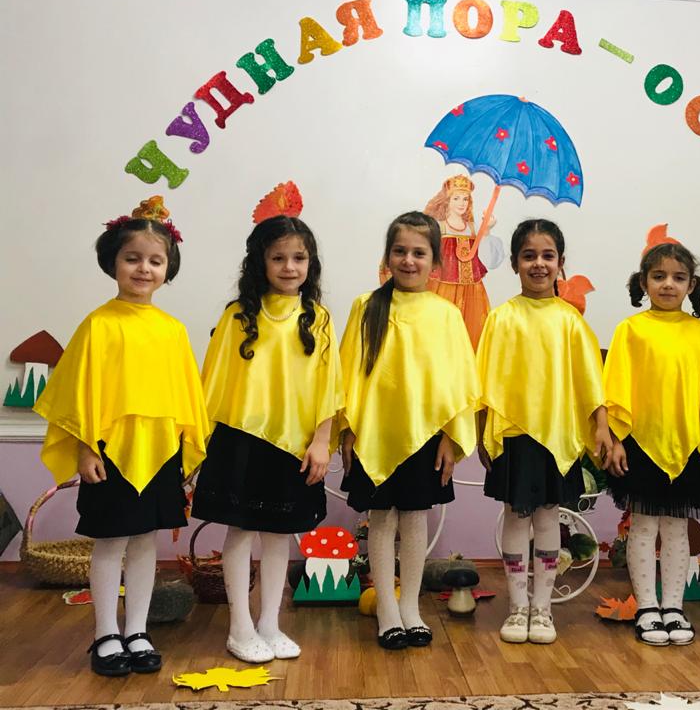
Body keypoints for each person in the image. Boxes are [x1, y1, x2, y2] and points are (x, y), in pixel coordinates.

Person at [34, 197, 210, 677]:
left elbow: (185, 397)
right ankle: (106, 633)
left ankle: (137, 629)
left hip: (160, 452)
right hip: (108, 453)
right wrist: (85, 447)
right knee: (110, 542)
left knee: (146, 542)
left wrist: (184, 451)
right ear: (112, 262)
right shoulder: (98, 325)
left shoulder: (173, 331)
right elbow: (79, 394)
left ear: (168, 269)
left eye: (155, 261)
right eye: (132, 258)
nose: (143, 269)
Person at [192, 213, 344, 663]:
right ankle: (239, 627)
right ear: (260, 262)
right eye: (278, 258)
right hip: (240, 440)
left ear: (311, 263)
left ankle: (269, 624)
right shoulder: (238, 316)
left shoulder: (318, 319)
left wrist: (321, 441)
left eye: (299, 258)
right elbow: (213, 383)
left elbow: (330, 387)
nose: (289, 267)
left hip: (295, 445)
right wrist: (196, 443)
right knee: (240, 531)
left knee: (279, 535)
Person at [339, 211, 479, 650]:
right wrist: (347, 430)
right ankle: (386, 609)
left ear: (436, 261)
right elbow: (348, 373)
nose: (409, 260)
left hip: (427, 435)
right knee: (381, 519)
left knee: (416, 518)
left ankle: (410, 608)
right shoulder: (366, 306)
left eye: (419, 253)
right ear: (387, 256)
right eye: (400, 251)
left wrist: (451, 436)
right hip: (375, 433)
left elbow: (459, 381)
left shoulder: (447, 314)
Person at [477, 218, 612, 645]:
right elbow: (483, 383)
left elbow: (591, 382)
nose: (539, 264)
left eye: (547, 255)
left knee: (550, 516)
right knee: (517, 517)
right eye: (529, 255)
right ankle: (518, 607)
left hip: (557, 434)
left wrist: (602, 426)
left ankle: (542, 607)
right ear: (514, 263)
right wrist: (482, 433)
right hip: (514, 435)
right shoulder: (501, 318)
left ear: (561, 262)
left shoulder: (570, 321)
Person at [603, 242, 700, 645]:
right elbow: (614, 391)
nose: (668, 285)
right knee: (642, 527)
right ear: (644, 282)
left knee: (677, 529)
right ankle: (647, 607)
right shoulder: (630, 330)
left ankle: (673, 607)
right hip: (641, 443)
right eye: (658, 277)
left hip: (689, 445)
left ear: (692, 285)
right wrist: (616, 440)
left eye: (678, 277)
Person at [422, 174, 503, 348]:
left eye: (465, 199)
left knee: (472, 336)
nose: (461, 203)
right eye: (456, 198)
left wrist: (487, 231)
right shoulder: (439, 227)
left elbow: (490, 261)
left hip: (472, 292)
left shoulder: (473, 228)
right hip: (443, 289)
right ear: (447, 200)